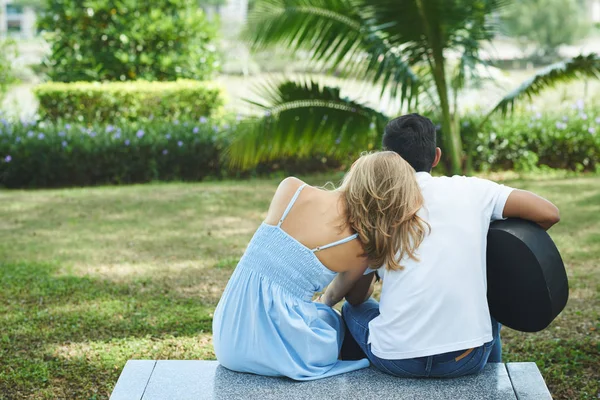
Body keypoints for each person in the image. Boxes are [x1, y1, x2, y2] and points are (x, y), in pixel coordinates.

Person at [336, 114, 560, 378]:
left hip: (396, 361)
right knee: (488, 308)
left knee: (353, 310)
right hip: (468, 360)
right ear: (436, 157)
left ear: (388, 160)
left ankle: (354, 383)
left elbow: (355, 297)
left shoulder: (375, 207)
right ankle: (493, 381)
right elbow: (548, 213)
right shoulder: (472, 190)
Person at [212, 151, 429, 380]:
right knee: (333, 321)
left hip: (228, 337)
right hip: (285, 354)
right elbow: (348, 299)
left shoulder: (291, 189)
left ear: (355, 174)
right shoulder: (359, 248)